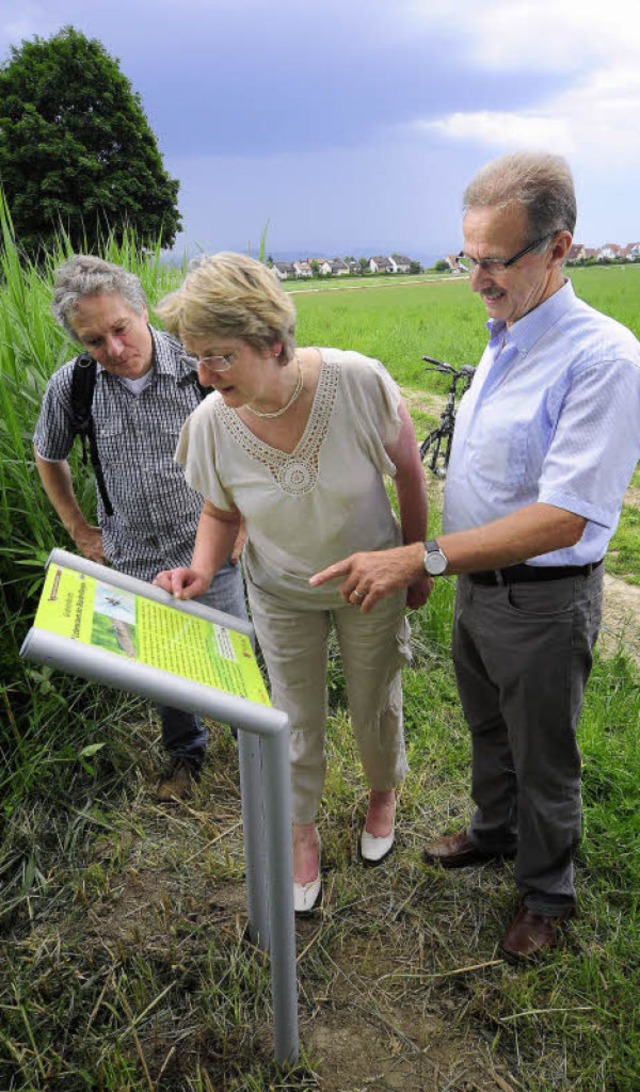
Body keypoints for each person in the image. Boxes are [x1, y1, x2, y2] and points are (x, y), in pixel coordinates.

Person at [310, 152, 640, 958]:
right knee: (488, 729)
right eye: (469, 256)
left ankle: (546, 895)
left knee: (544, 753)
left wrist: (422, 557)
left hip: (541, 601)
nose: (476, 278)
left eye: (496, 260)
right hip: (476, 589)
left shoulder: (604, 358)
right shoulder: (505, 333)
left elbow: (565, 518)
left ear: (559, 248)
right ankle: (494, 832)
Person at [152, 251, 429, 912]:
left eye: (219, 356)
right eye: (195, 355)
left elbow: (410, 474)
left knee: (373, 699)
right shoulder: (212, 424)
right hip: (278, 591)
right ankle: (302, 835)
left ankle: (382, 794)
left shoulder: (359, 383)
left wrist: (414, 560)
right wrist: (203, 566)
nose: (202, 373)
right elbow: (221, 512)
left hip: (371, 586)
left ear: (272, 342)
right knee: (294, 717)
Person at [33, 255, 248, 802]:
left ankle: (260, 752)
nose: (114, 349)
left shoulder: (198, 367)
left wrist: (241, 523)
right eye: (94, 341)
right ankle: (185, 754)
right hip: (132, 555)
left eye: (119, 329)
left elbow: (247, 442)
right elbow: (47, 455)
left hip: (210, 546)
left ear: (141, 309)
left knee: (240, 654)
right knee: (162, 667)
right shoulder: (73, 387)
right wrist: (80, 530)